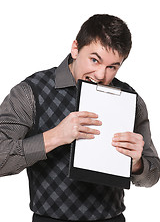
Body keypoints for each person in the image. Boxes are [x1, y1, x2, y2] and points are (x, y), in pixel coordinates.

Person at [0, 14, 160, 222]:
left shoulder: (131, 101)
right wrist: (55, 137)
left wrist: (137, 164)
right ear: (75, 48)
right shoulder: (30, 92)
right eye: (95, 60)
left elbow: (153, 175)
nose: (101, 75)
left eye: (112, 66)